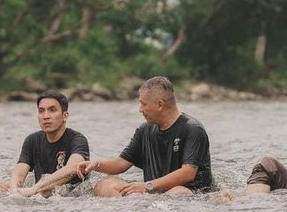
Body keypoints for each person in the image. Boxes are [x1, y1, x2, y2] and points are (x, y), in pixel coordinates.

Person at [76, 76, 213, 196]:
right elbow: (121, 163)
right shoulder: (145, 130)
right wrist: (95, 164)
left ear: (160, 105)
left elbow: (188, 173)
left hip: (188, 193)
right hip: (153, 193)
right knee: (104, 184)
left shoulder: (193, 129)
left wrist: (147, 186)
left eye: (143, 103)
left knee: (178, 192)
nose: (140, 109)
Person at [0, 90, 89, 198]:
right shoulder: (32, 140)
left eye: (52, 110)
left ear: (65, 116)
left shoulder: (78, 139)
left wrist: (35, 189)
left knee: (47, 190)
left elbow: (73, 167)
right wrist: (14, 192)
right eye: (41, 111)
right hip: (39, 193)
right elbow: (19, 173)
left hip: (70, 197)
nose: (46, 116)